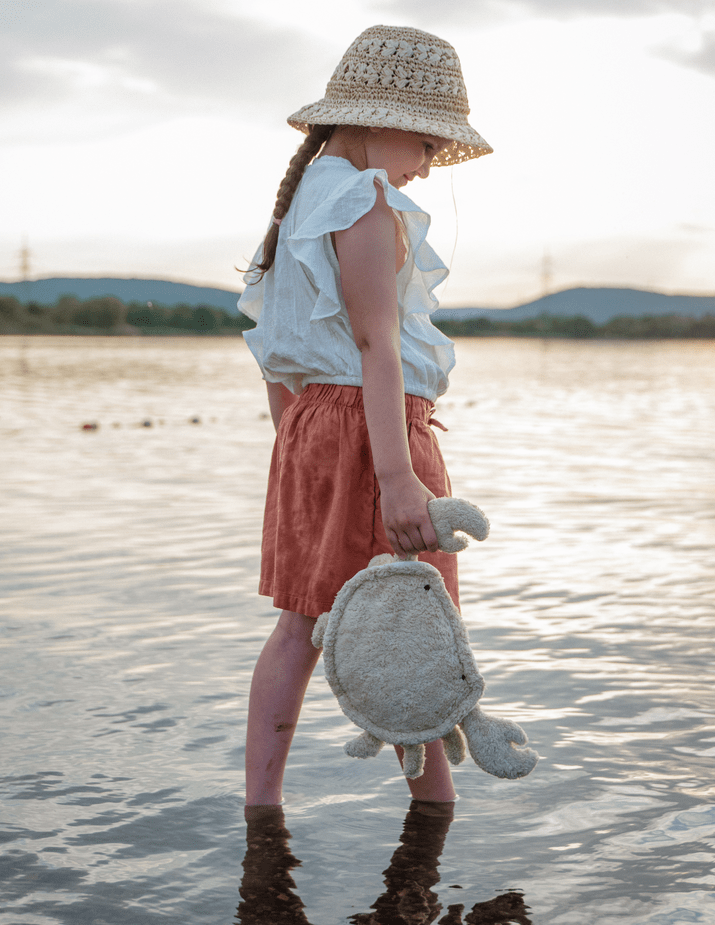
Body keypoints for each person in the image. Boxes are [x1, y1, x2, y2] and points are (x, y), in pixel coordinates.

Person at [238, 24, 492, 807]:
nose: (421, 166)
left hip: (311, 428)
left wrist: (299, 446)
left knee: (298, 624)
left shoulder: (299, 207)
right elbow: (375, 344)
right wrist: (397, 478)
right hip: (372, 432)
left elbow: (276, 354)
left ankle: (261, 809)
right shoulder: (363, 203)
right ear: (378, 120)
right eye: (422, 142)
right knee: (412, 623)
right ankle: (434, 811)